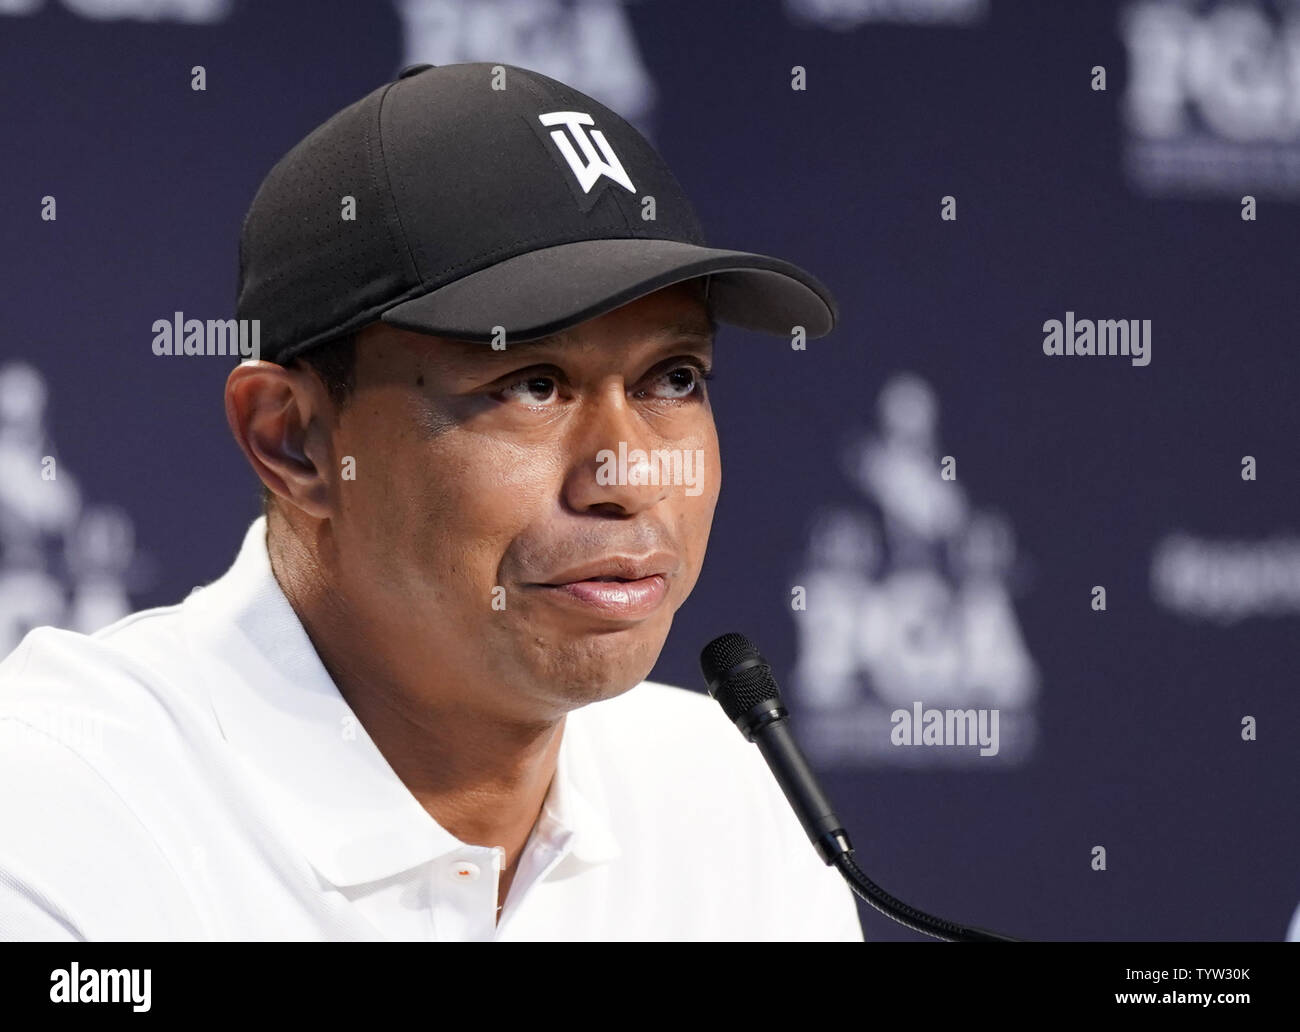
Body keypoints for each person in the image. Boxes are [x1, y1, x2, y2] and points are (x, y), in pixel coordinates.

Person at [0, 61, 861, 941]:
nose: (632, 477)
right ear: (292, 441)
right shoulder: (51, 813)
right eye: (531, 385)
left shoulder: (734, 803)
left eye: (673, 379)